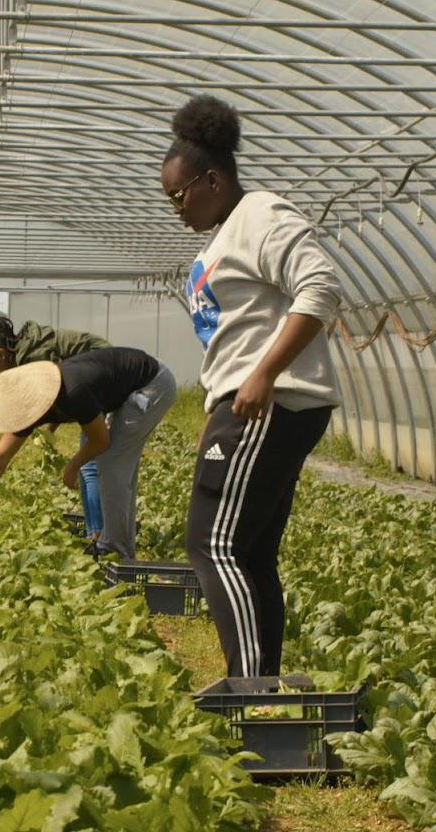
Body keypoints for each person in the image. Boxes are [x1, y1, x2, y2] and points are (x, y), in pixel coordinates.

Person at [162, 94, 344, 680]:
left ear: (211, 178)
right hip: (241, 403)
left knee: (211, 545)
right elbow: (231, 338)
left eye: (179, 194)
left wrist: (262, 374)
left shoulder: (263, 215)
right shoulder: (220, 238)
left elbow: (320, 289)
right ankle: (263, 684)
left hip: (270, 401)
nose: (175, 208)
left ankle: (252, 688)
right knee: (250, 550)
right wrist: (216, 411)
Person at [0, 347, 177, 559]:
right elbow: (1, 455)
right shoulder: (30, 404)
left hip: (152, 384)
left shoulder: (74, 391)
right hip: (129, 387)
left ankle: (115, 549)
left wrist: (72, 467)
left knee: (111, 462)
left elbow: (101, 441)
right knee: (118, 465)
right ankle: (118, 544)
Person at [0, 317, 111, 545]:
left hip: (103, 376)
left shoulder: (32, 362)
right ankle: (95, 534)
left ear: (0, 355)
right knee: (88, 465)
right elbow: (4, 451)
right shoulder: (23, 356)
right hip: (93, 378)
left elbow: (63, 387)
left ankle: (100, 539)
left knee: (89, 464)